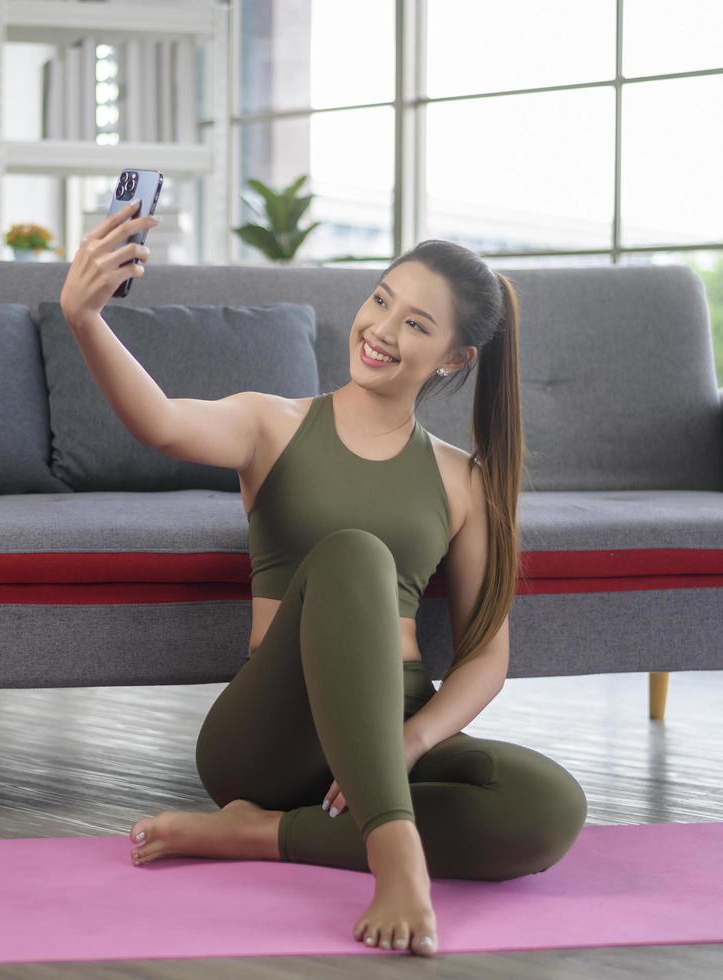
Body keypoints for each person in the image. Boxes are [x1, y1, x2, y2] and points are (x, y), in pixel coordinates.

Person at [59, 201, 587, 958]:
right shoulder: (269, 423)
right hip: (271, 734)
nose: (381, 328)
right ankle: (394, 853)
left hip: (391, 724)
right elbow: (161, 423)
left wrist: (412, 741)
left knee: (547, 808)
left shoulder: (463, 480)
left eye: (415, 323)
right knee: (354, 554)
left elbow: (485, 654)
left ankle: (262, 833)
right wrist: (85, 321)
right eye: (381, 300)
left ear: (451, 358)